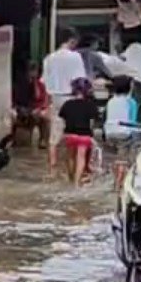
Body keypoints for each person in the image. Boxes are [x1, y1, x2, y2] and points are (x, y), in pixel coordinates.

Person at [41, 33, 88, 176]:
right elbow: (80, 81)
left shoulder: (49, 58)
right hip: (71, 98)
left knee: (53, 139)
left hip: (55, 98)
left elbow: (44, 82)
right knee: (73, 136)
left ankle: (52, 171)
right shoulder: (75, 57)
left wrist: (46, 105)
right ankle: (72, 171)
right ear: (72, 40)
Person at [57, 77, 101, 187]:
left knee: (70, 157)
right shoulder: (91, 105)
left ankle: (71, 178)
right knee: (81, 158)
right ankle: (77, 183)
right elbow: (92, 123)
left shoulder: (67, 104)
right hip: (84, 136)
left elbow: (63, 120)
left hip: (70, 135)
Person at [104, 75, 141, 187]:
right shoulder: (131, 102)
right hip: (124, 132)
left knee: (116, 157)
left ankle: (115, 179)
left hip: (110, 132)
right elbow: (134, 121)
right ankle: (119, 184)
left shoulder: (111, 101)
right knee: (124, 159)